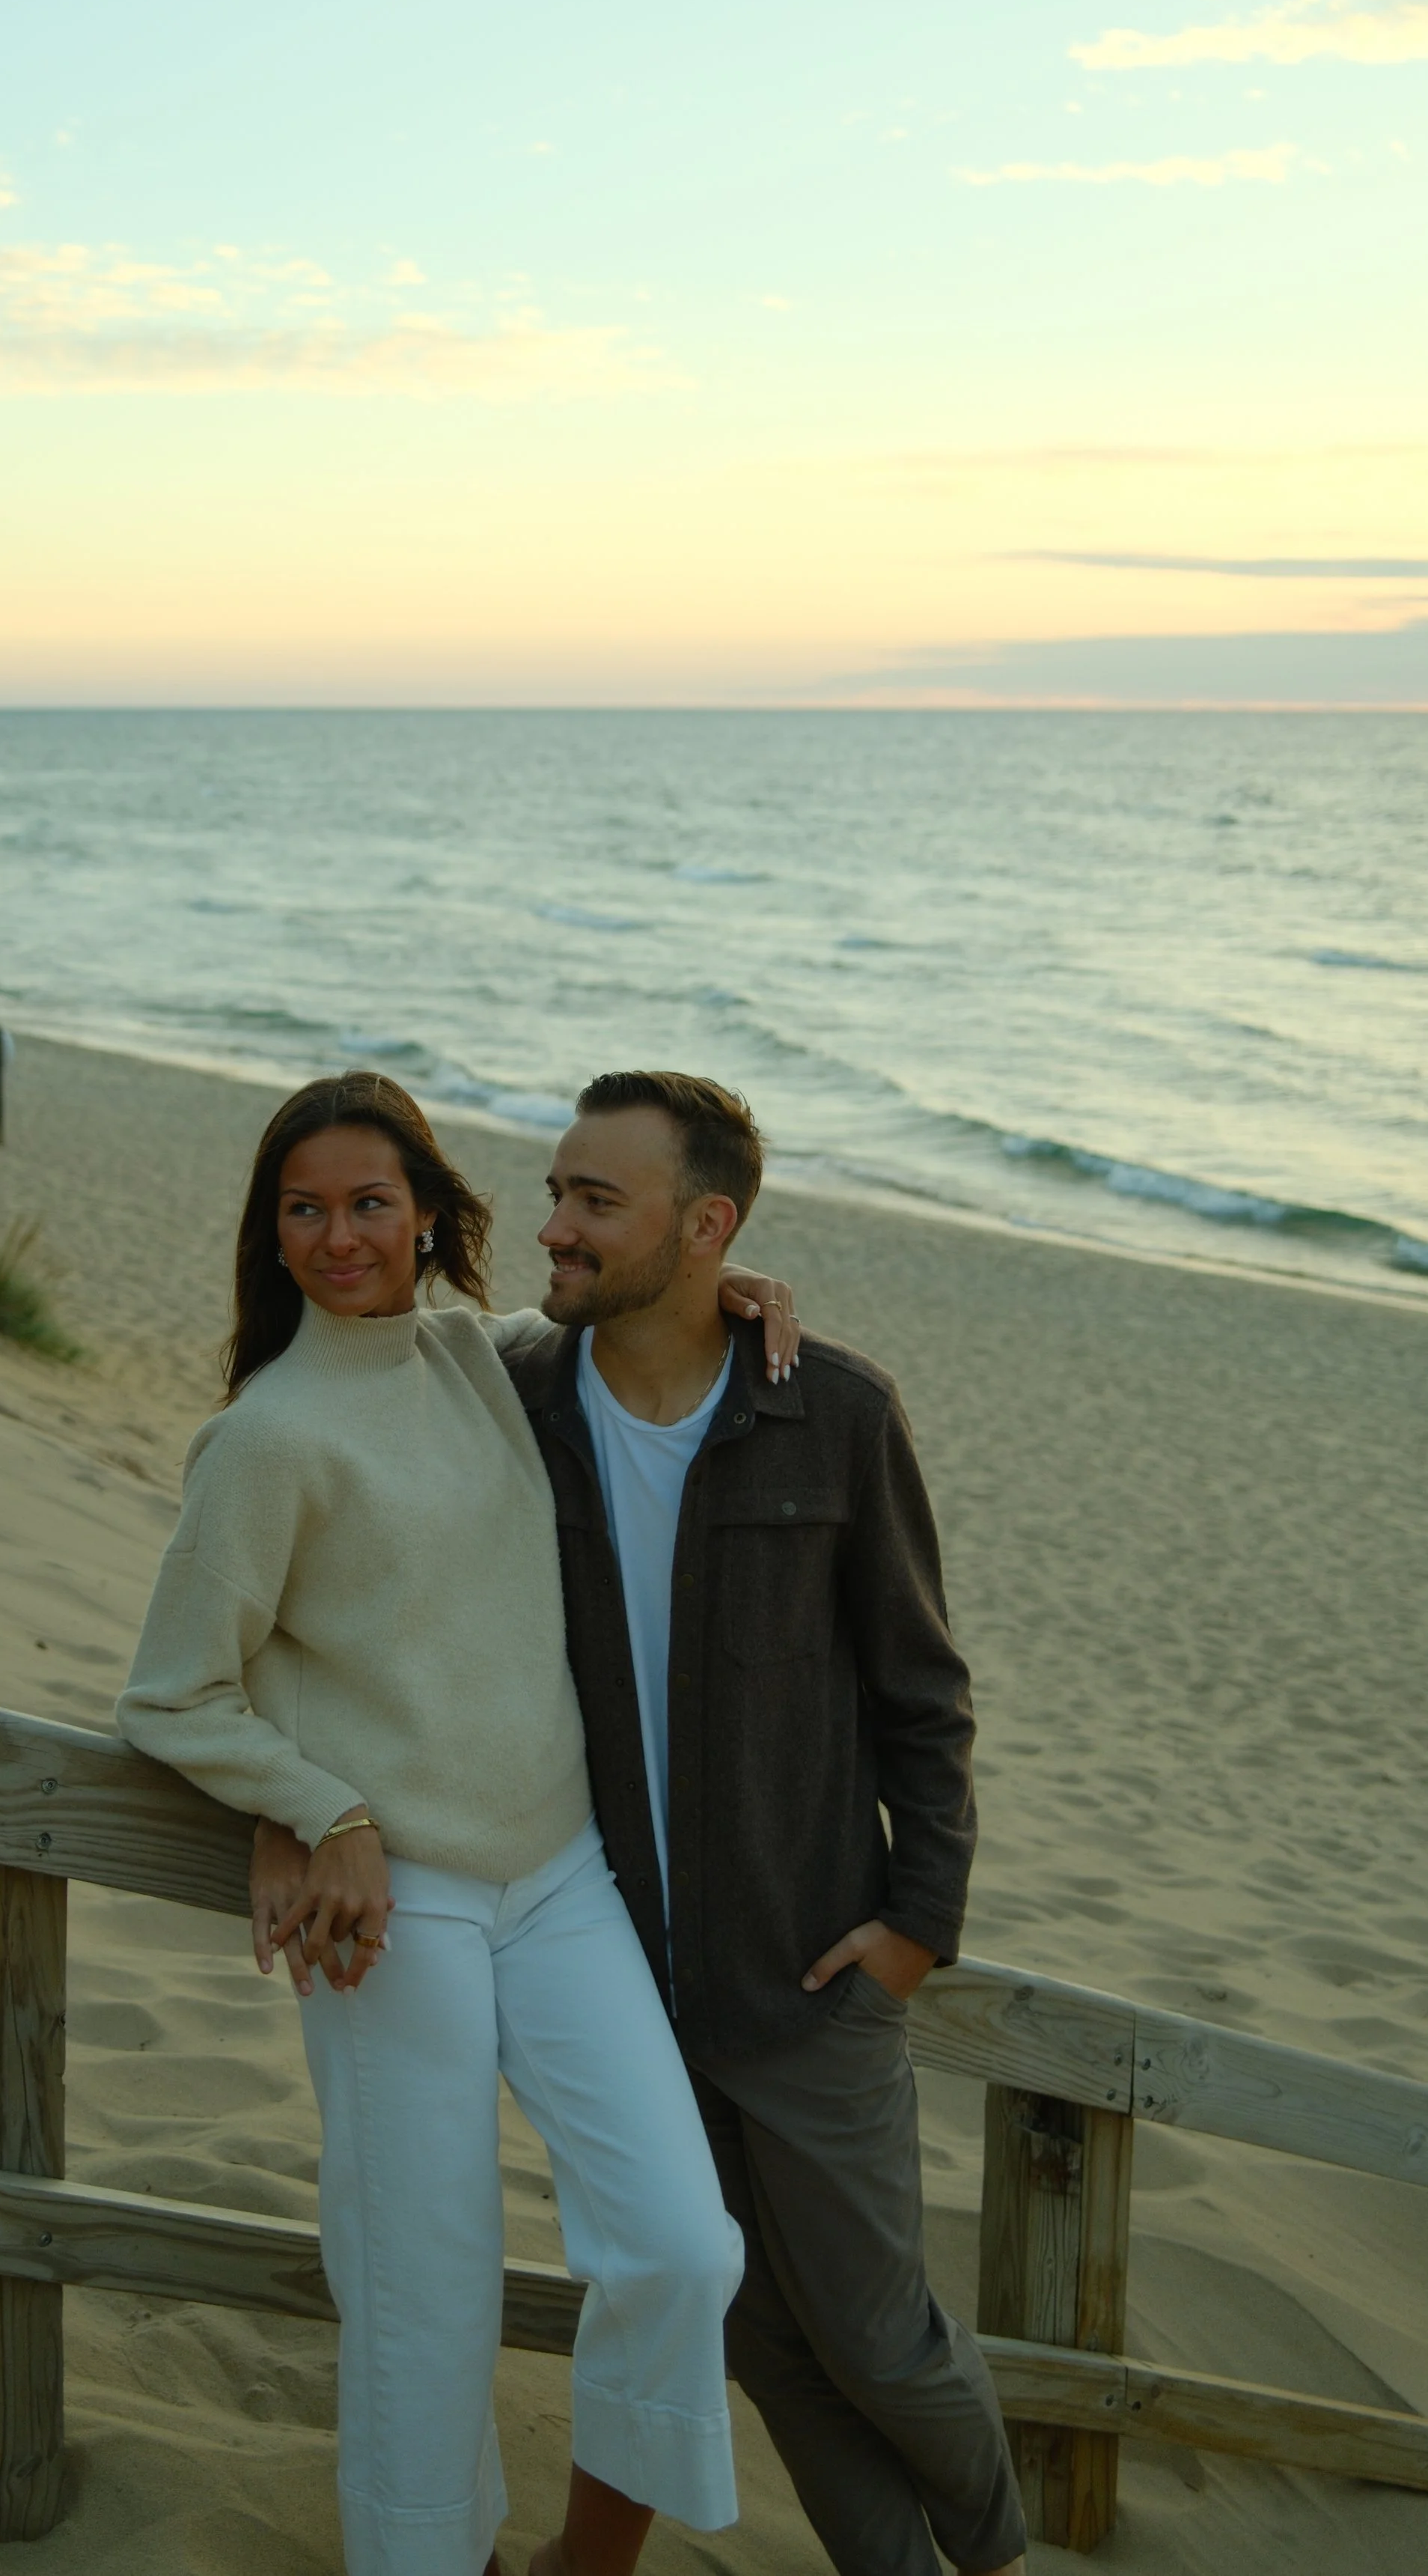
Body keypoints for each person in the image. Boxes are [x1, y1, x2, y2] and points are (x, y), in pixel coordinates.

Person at [118, 1072, 802, 2576]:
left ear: (430, 1215)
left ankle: (584, 2561)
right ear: (269, 1230)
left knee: (681, 2249)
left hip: (560, 1878)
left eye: (370, 1203)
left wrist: (708, 1280)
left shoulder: (481, 1360)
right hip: (398, 1909)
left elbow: (621, 1323)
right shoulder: (267, 1439)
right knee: (425, 2286)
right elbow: (168, 1698)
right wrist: (320, 1808)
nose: (338, 1235)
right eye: (304, 1209)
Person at [482, 1070, 1028, 2576]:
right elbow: (356, 1341)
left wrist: (918, 1924)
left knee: (879, 2337)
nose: (555, 1228)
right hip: (623, 1990)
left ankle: (992, 2554)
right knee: (761, 2338)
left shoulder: (832, 1410)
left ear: (704, 1224)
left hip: (808, 1980)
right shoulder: (516, 1395)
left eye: (595, 1200)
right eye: (555, 1192)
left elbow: (922, 1687)